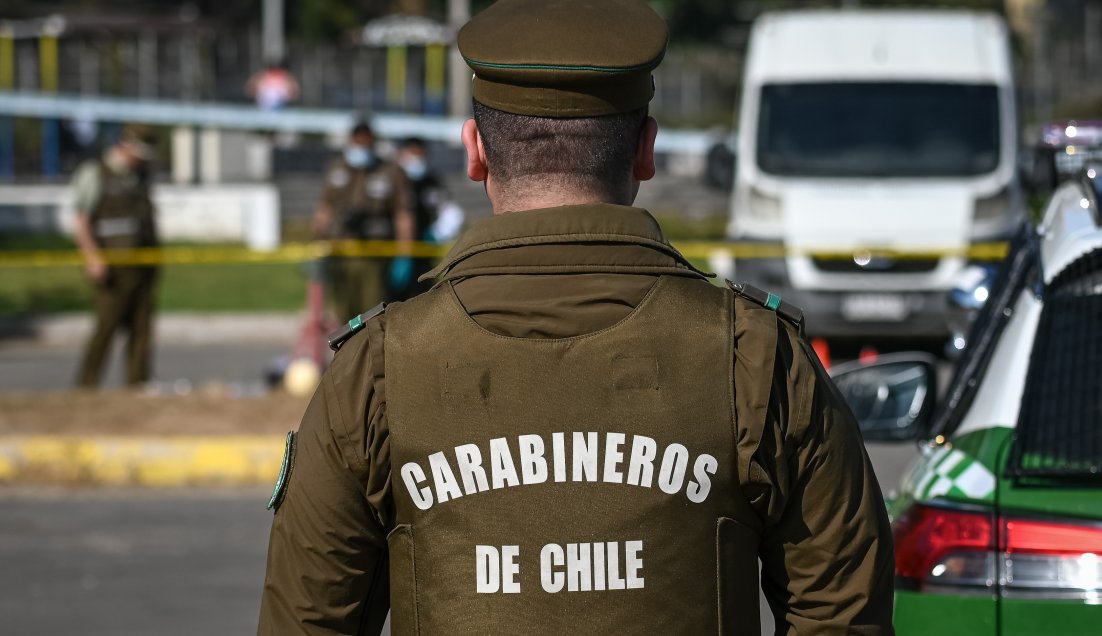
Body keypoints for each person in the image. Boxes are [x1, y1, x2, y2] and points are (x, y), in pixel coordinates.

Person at [258, 1, 894, 634]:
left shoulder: (377, 369)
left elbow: (307, 621)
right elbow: (842, 614)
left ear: (475, 151)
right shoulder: (755, 355)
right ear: (646, 150)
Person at [73, 125, 159, 388]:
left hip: (143, 264)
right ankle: (87, 386)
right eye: (138, 153)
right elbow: (81, 221)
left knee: (142, 331)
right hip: (112, 267)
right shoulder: (95, 173)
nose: (141, 160)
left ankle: (137, 386)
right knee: (105, 328)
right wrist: (92, 257)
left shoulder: (141, 176)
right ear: (125, 146)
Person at [312, 121, 414, 322]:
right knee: (343, 316)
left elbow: (403, 215)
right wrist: (315, 243)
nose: (361, 148)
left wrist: (405, 253)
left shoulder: (389, 172)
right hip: (341, 252)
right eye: (358, 143)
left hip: (374, 255)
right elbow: (325, 209)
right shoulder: (337, 169)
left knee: (372, 315)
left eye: (365, 143)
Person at [387, 136, 464, 301]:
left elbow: (451, 212)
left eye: (420, 155)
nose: (416, 160)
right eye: (412, 154)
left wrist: (436, 234)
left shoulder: (431, 182)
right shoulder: (392, 179)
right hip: (390, 249)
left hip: (422, 251)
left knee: (420, 298)